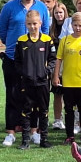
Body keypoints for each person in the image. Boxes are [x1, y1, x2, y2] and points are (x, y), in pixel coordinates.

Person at [0, 0, 51, 146]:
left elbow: (46, 30)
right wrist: (12, 45)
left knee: (34, 98)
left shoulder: (42, 7)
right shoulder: (9, 6)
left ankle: (34, 132)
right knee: (12, 96)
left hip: (35, 62)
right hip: (13, 59)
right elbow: (2, 30)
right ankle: (11, 132)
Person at [54, 12, 81, 146]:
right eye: (75, 25)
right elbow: (59, 59)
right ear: (71, 25)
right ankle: (70, 136)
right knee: (68, 110)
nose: (77, 28)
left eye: (80, 25)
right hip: (68, 82)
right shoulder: (65, 40)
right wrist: (56, 76)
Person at [15, 9, 55, 149]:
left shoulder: (47, 40)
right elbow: (17, 61)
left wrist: (46, 71)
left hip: (43, 82)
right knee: (26, 111)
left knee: (43, 110)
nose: (32, 26)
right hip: (27, 82)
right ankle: (25, 141)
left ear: (40, 23)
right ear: (26, 24)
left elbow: (53, 60)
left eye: (35, 24)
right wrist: (24, 72)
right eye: (30, 24)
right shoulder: (21, 41)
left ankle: (44, 139)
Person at [49, 1, 68, 131]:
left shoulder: (70, 26)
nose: (59, 15)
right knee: (57, 93)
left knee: (70, 94)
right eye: (56, 13)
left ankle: (71, 119)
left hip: (68, 63)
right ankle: (57, 120)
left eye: (61, 12)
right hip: (56, 63)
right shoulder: (51, 28)